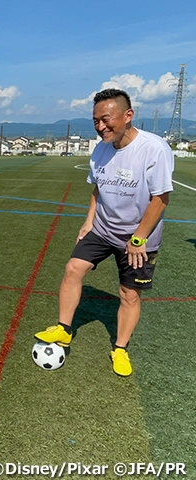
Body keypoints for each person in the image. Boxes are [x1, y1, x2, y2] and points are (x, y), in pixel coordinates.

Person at [34, 88, 174, 377]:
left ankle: (120, 349)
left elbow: (160, 199)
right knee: (73, 269)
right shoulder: (100, 149)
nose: (100, 126)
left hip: (138, 238)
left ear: (128, 115)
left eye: (106, 119)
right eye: (96, 121)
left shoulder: (154, 148)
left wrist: (138, 238)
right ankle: (63, 329)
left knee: (129, 294)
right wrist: (89, 221)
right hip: (102, 229)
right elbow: (98, 189)